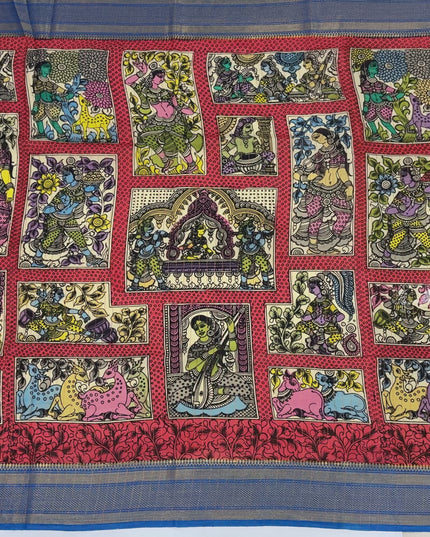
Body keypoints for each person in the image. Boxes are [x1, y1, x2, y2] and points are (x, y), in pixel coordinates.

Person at [126, 63, 201, 174]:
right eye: (160, 76)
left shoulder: (167, 92)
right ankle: (166, 161)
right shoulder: (145, 91)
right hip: (158, 121)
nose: (162, 79)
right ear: (152, 76)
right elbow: (128, 82)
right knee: (146, 136)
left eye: (163, 77)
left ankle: (192, 165)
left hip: (174, 120)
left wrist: (179, 106)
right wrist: (141, 73)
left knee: (179, 142)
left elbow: (188, 110)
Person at [292, 127, 353, 254]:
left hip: (336, 189)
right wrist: (305, 177)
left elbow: (342, 171)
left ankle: (330, 243)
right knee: (315, 220)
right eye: (315, 137)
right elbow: (298, 173)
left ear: (328, 137)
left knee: (345, 214)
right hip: (316, 191)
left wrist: (348, 185)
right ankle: (313, 248)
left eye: (318, 136)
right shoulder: (317, 155)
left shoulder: (339, 154)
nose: (316, 139)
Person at [32, 165, 104, 267]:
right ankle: (36, 260)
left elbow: (94, 199)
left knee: (79, 238)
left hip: (69, 218)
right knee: (49, 239)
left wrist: (94, 192)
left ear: (75, 175)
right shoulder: (63, 192)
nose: (64, 178)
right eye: (63, 175)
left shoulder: (82, 188)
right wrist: (57, 207)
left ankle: (90, 259)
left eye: (66, 175)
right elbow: (46, 210)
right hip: (54, 218)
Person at [373, 163, 430, 267]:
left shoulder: (422, 188)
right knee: (397, 237)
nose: (402, 179)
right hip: (398, 219)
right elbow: (388, 210)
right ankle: (385, 260)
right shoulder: (402, 194)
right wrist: (399, 208)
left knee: (425, 238)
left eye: (404, 176)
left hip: (412, 219)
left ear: (412, 175)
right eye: (401, 177)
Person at [19, 285, 91, 342]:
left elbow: (69, 310)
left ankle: (89, 334)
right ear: (52, 295)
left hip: (58, 323)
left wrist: (80, 312)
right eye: (59, 294)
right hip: (45, 323)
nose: (61, 295)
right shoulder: (45, 303)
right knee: (31, 324)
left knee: (73, 327)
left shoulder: (60, 306)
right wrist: (40, 299)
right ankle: (43, 334)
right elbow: (33, 304)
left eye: (62, 294)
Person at [296, 275, 345, 355]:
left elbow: (341, 316)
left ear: (321, 287)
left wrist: (331, 318)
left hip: (327, 326)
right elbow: (304, 318)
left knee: (339, 335)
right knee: (299, 325)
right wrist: (313, 315)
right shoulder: (313, 304)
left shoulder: (328, 303)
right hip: (314, 325)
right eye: (310, 288)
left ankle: (325, 345)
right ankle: (313, 336)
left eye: (313, 288)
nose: (311, 290)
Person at [359, 59, 404, 141]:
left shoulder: (379, 84)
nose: (376, 67)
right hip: (372, 105)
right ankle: (375, 134)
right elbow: (366, 97)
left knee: (385, 122)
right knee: (369, 119)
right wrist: (365, 107)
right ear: (366, 69)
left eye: (377, 66)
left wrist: (394, 95)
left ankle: (396, 135)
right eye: (373, 66)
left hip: (384, 105)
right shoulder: (365, 84)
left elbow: (392, 90)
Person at [31, 61, 72, 140]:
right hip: (41, 104)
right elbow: (37, 97)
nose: (49, 68)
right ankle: (41, 133)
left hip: (52, 105)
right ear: (40, 69)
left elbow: (61, 90)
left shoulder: (51, 83)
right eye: (46, 67)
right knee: (38, 119)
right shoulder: (37, 83)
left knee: (53, 121)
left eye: (49, 67)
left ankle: (61, 135)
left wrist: (68, 93)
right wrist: (35, 107)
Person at [128, 217, 169, 290]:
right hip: (141, 258)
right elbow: (145, 249)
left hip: (151, 256)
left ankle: (162, 285)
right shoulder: (140, 239)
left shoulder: (153, 236)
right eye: (148, 227)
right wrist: (153, 242)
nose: (150, 229)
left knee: (157, 271)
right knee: (138, 273)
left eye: (151, 227)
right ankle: (134, 286)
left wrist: (161, 237)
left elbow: (158, 244)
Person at [236, 218, 274, 289]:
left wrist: (262, 236)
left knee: (264, 265)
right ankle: (243, 285)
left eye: (253, 226)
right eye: (250, 226)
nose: (253, 228)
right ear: (245, 228)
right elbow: (250, 246)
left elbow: (262, 243)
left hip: (257, 253)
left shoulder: (255, 234)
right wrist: (256, 239)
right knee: (245, 269)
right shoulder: (243, 237)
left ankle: (266, 284)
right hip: (246, 254)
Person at [0, 128, 14, 249]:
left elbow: (5, 171)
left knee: (4, 214)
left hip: (2, 188)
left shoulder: (4, 154)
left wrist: (9, 187)